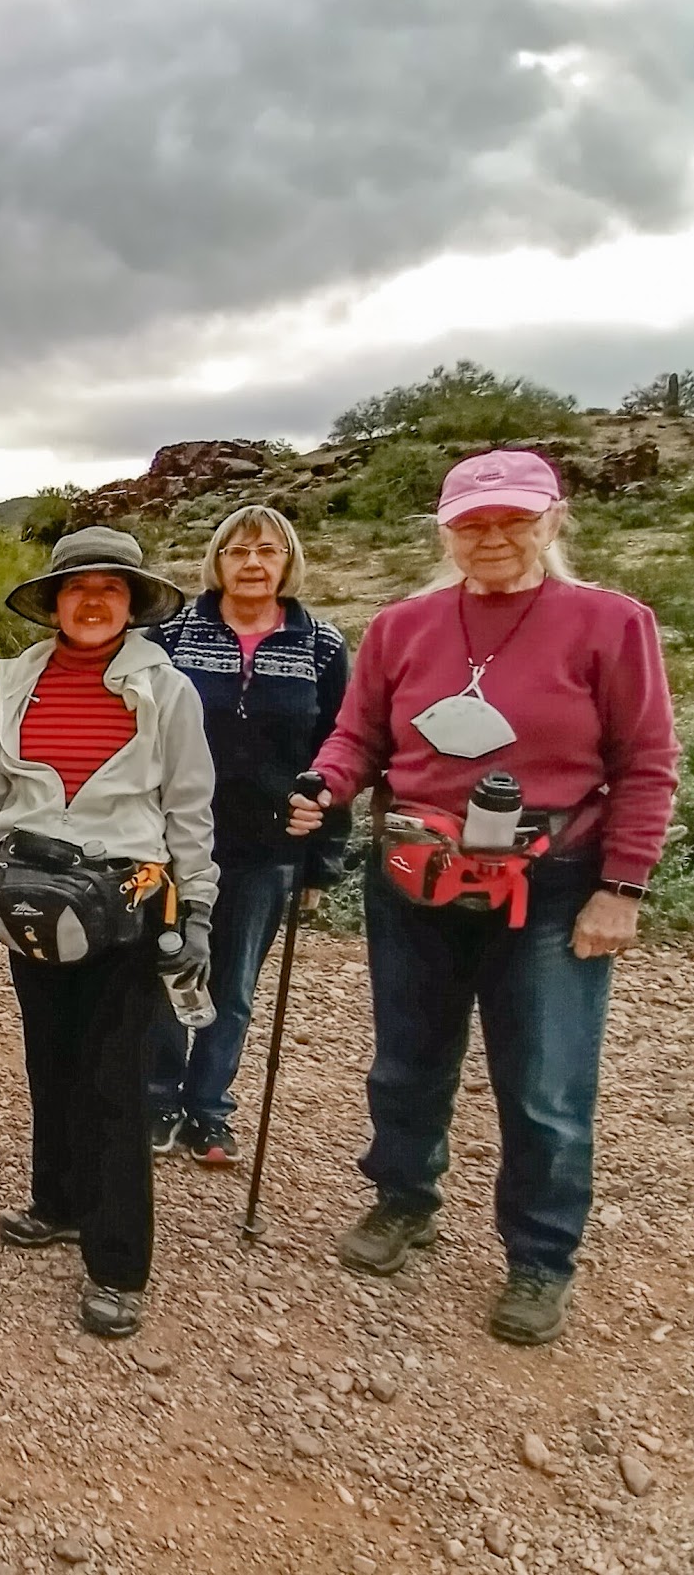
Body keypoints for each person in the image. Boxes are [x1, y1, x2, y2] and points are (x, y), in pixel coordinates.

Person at [288, 449, 679, 1346]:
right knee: (407, 1059)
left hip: (551, 880)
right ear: (446, 530)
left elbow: (646, 765)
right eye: (472, 522)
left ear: (551, 520)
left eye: (512, 519)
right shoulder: (400, 627)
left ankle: (539, 1256)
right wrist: (326, 781)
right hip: (416, 872)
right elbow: (360, 734)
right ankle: (402, 1200)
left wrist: (620, 887)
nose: (492, 537)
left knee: (543, 1080)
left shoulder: (611, 624)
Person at [0, 527, 217, 1339]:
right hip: (29, 893)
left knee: (112, 1079)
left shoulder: (165, 689)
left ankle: (117, 1262)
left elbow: (187, 808)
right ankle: (57, 1203)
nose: (94, 599)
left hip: (125, 899)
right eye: (77, 587)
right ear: (55, 601)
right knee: (49, 1058)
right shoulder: (14, 682)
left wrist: (197, 908)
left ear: (132, 601)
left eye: (111, 587)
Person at [146, 506, 351, 1166]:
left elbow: (336, 752)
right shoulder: (171, 634)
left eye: (267, 550)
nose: (253, 563)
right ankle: (155, 1100)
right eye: (238, 551)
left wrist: (321, 860)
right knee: (162, 969)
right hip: (172, 838)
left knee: (231, 983)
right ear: (217, 561)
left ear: (287, 561)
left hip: (265, 844)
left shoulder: (320, 644)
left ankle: (208, 1109)